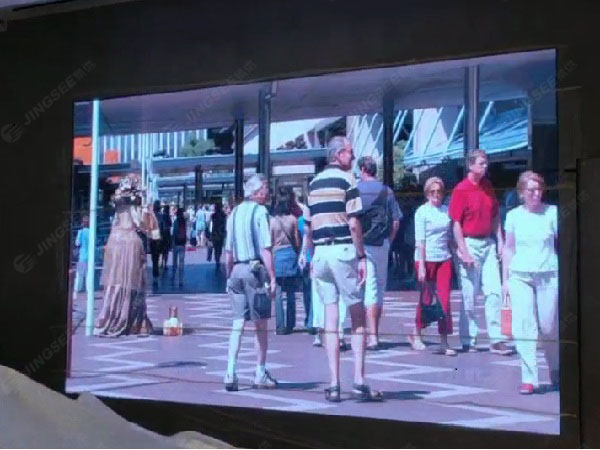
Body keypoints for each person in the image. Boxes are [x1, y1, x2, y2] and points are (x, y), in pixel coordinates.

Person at [300, 136, 383, 403]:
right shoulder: (348, 181)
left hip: (320, 253)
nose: (353, 157)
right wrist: (361, 256)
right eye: (350, 152)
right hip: (343, 250)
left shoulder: (313, 184)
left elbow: (309, 226)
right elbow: (354, 223)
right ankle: (358, 380)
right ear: (338, 154)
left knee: (330, 318)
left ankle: (334, 383)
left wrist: (310, 255)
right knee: (357, 316)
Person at [449, 149, 512, 355]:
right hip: (469, 243)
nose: (485, 167)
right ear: (471, 165)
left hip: (488, 243)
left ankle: (497, 339)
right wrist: (463, 251)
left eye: (486, 163)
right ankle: (469, 338)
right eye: (481, 163)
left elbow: (495, 216)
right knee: (469, 294)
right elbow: (456, 223)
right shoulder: (461, 190)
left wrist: (500, 240)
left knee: (494, 292)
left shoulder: (488, 187)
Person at [502, 171, 558, 395]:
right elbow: (508, 248)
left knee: (548, 326)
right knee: (523, 326)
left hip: (548, 274)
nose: (536, 194)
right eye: (531, 190)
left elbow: (563, 243)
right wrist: (505, 280)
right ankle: (529, 378)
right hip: (520, 275)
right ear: (521, 193)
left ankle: (555, 368)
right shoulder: (513, 216)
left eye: (539, 189)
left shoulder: (552, 213)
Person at [223, 174, 278, 392]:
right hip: (254, 270)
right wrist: (272, 276)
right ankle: (259, 372)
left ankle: (230, 371)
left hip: (236, 269)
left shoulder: (234, 212)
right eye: (265, 188)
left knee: (237, 323)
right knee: (260, 324)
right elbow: (266, 248)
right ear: (256, 192)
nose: (267, 192)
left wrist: (229, 275)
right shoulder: (260, 212)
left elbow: (228, 251)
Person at [94, 175, 153, 337]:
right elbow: (141, 223)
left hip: (114, 240)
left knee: (114, 281)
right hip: (130, 242)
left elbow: (115, 220)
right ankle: (127, 319)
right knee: (131, 282)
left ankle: (108, 316)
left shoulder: (118, 201)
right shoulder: (136, 202)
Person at [356, 156, 402, 350]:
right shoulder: (386, 191)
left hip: (360, 244)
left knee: (363, 288)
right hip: (381, 244)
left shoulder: (355, 190)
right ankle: (374, 334)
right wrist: (388, 241)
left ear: (362, 169)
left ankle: (363, 333)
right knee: (378, 288)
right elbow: (396, 221)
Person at [410, 177, 456, 356]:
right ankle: (416, 333)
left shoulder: (447, 211)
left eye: (439, 191)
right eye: (432, 191)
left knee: (444, 300)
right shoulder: (422, 212)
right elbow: (420, 241)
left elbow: (450, 236)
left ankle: (444, 341)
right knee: (427, 299)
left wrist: (458, 252)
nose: (436, 195)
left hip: (444, 258)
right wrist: (422, 266)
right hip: (426, 258)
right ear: (427, 193)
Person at [270, 196, 302, 335]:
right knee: (290, 292)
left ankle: (280, 326)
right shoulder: (293, 219)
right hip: (290, 253)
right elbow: (297, 239)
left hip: (277, 254)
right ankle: (290, 323)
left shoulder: (272, 221)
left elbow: (270, 241)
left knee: (277, 293)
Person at [73, 214, 90, 298]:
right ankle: (88, 293)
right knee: (89, 276)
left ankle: (76, 291)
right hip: (91, 257)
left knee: (79, 275)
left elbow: (77, 243)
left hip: (82, 256)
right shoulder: (92, 231)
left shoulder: (81, 232)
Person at [171, 207, 187, 286]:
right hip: (182, 243)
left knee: (174, 261)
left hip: (176, 243)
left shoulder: (176, 221)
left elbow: (174, 232)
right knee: (181, 262)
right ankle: (181, 279)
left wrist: (172, 242)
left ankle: (173, 276)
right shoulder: (184, 222)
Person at [208, 202, 227, 267]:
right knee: (219, 248)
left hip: (214, 234)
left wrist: (209, 234)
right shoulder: (223, 215)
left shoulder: (213, 215)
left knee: (216, 249)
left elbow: (210, 225)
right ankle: (218, 259)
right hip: (221, 234)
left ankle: (217, 260)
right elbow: (225, 224)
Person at [148, 201, 162, 283]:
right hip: (159, 238)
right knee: (157, 256)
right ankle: (156, 273)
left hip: (152, 238)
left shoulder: (151, 216)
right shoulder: (161, 216)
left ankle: (155, 273)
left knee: (154, 257)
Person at [159, 204, 172, 274]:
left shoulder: (161, 216)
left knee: (162, 250)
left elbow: (160, 225)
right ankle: (165, 264)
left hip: (162, 234)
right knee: (166, 250)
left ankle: (161, 263)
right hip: (167, 234)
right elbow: (170, 224)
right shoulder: (168, 216)